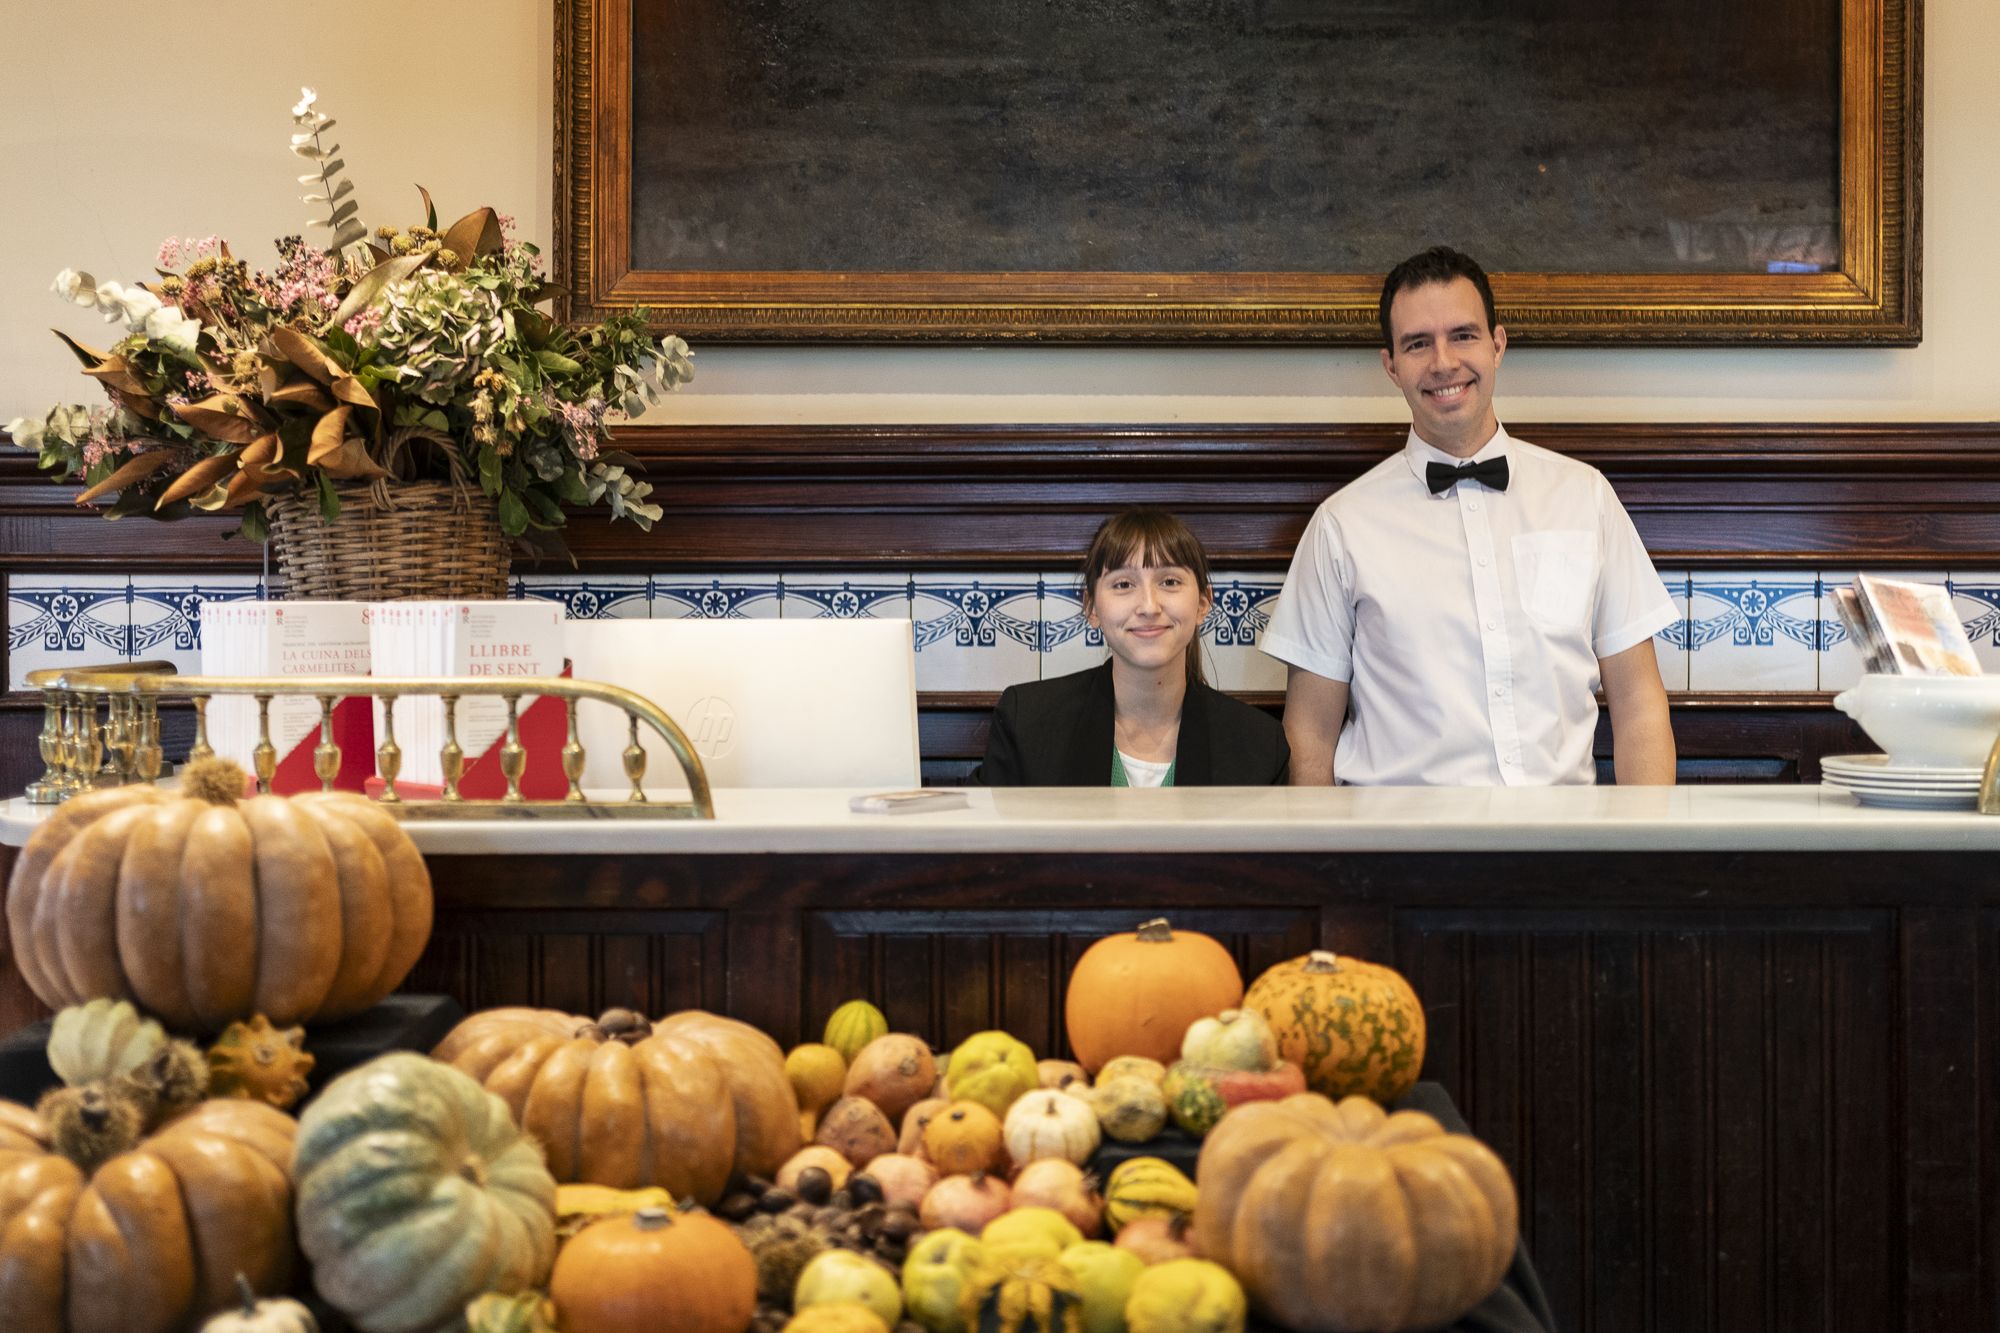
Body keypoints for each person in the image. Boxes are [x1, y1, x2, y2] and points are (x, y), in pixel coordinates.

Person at [1262, 246, 1677, 786]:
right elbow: (1310, 735)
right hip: (1400, 857)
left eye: (1463, 335)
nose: (1443, 362)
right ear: (1391, 366)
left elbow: (1639, 705)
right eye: (1417, 344)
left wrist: (1643, 859)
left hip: (1564, 850)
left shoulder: (1585, 497)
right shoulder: (1341, 527)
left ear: (1497, 344)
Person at [973, 508, 1289, 786]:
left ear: (1203, 603)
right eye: (1123, 584)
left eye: (1170, 582)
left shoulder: (1260, 744)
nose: (1149, 606)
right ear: (1092, 607)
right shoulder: (1026, 723)